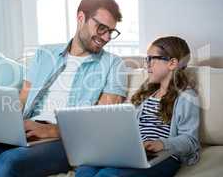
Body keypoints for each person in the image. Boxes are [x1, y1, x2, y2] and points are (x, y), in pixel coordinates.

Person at [0, 0, 128, 177]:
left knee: (8, 164)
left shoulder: (114, 65)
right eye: (101, 28)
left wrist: (50, 130)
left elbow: (102, 125)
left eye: (111, 32)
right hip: (24, 131)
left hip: (65, 142)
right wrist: (1, 123)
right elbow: (22, 99)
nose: (106, 37)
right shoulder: (44, 54)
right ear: (81, 17)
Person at [75, 36, 200, 177]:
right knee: (85, 168)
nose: (147, 64)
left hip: (163, 156)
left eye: (151, 58)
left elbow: (191, 140)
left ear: (172, 63)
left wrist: (162, 144)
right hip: (133, 153)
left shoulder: (186, 97)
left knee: (108, 174)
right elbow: (128, 126)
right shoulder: (147, 94)